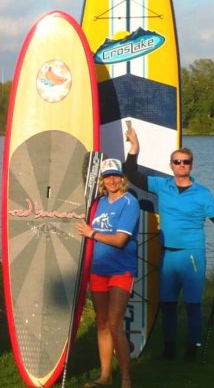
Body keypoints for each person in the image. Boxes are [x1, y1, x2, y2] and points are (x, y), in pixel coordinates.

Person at [125, 127, 214, 360]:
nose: (181, 165)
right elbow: (130, 173)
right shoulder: (161, 185)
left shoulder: (203, 193)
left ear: (192, 166)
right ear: (171, 165)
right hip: (168, 256)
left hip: (192, 256)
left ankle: (192, 347)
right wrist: (134, 147)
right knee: (167, 304)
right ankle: (169, 348)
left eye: (185, 162)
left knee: (193, 305)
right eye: (177, 161)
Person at [75, 159, 140, 388]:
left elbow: (121, 240)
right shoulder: (97, 203)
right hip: (98, 270)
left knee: (114, 323)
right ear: (101, 180)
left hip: (121, 270)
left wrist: (92, 233)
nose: (112, 180)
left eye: (116, 176)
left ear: (122, 178)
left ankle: (125, 378)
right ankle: (105, 376)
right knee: (102, 322)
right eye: (107, 176)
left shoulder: (129, 202)